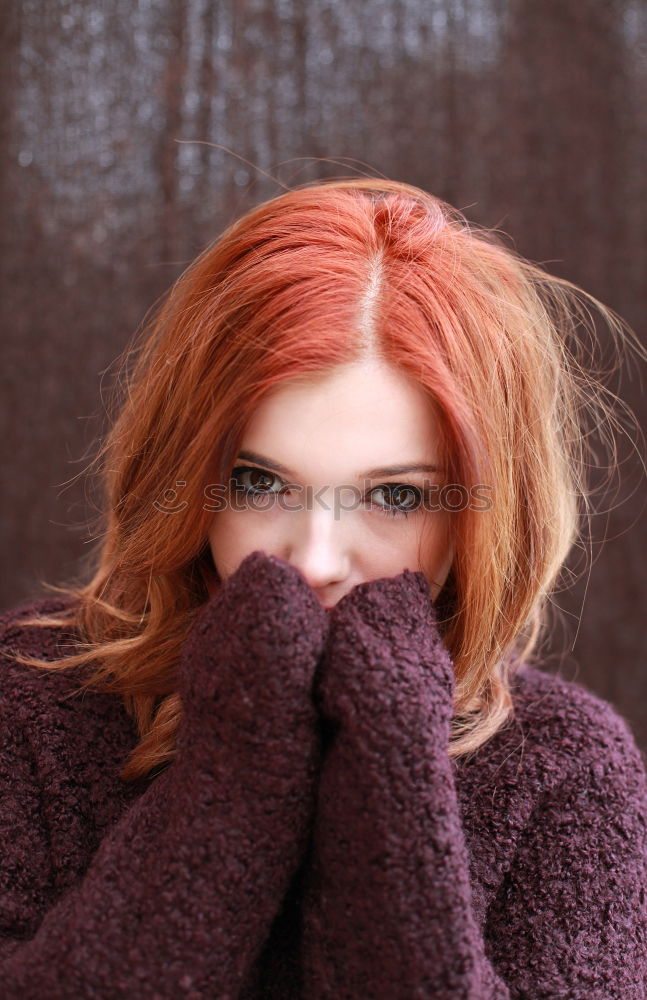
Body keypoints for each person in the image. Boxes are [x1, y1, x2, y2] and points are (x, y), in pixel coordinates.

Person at [1, 177, 645, 999]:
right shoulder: (32, 702)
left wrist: (393, 793)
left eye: (396, 496)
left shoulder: (566, 771)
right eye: (258, 482)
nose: (314, 559)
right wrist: (233, 779)